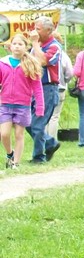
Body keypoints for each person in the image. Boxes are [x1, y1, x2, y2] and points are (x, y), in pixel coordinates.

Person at [0, 34, 44, 169]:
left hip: (23, 105)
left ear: (26, 47)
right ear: (10, 46)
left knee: (19, 134)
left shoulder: (30, 64)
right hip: (5, 104)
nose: (17, 47)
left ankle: (16, 163)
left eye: (20, 44)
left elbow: (37, 88)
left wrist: (40, 106)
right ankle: (9, 153)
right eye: (15, 44)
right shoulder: (3, 63)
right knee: (4, 134)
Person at [25, 16, 62, 164]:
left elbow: (42, 61)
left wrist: (34, 43)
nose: (35, 32)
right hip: (34, 89)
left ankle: (39, 157)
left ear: (48, 30)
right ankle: (50, 143)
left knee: (38, 124)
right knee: (27, 121)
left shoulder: (54, 46)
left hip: (48, 89)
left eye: (38, 29)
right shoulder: (36, 46)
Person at [46, 31, 73, 138]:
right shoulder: (63, 55)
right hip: (60, 87)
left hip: (46, 87)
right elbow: (70, 72)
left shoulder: (43, 53)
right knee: (54, 116)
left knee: (45, 115)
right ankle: (51, 138)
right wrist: (65, 81)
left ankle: (43, 139)